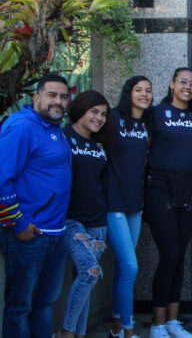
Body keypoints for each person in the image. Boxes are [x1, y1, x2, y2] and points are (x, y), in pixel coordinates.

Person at [0, 74, 71, 338]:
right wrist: (17, 223)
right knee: (20, 307)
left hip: (55, 233)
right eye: (52, 95)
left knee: (44, 303)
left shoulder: (54, 128)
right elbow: (2, 179)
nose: (58, 101)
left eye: (63, 97)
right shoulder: (22, 127)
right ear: (36, 97)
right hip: (30, 235)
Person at [145, 67, 192, 338]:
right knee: (168, 255)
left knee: (179, 257)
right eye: (182, 82)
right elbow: (143, 147)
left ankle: (172, 321)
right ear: (171, 84)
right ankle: (157, 324)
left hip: (188, 189)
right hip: (160, 188)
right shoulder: (156, 113)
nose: (187, 87)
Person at [59, 90, 115, 338]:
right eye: (94, 112)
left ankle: (78, 333)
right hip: (71, 219)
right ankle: (67, 332)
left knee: (85, 278)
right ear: (80, 109)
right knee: (89, 272)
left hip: (97, 221)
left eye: (103, 114)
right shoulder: (63, 137)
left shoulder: (99, 144)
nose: (99, 118)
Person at [107, 76, 152, 338]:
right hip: (114, 203)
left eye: (148, 91)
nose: (144, 94)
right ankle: (127, 330)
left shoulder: (145, 124)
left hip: (135, 203)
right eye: (138, 90)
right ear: (128, 92)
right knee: (130, 267)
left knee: (124, 269)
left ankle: (116, 328)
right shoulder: (114, 119)